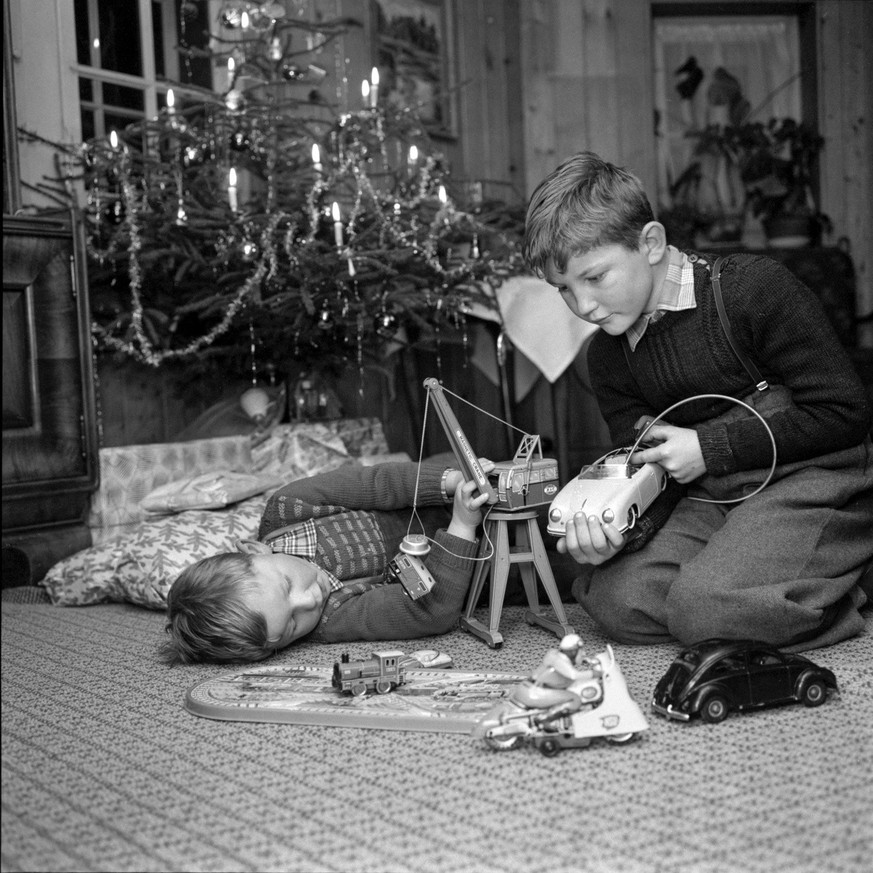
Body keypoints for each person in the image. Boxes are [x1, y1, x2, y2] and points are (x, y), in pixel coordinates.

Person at [522, 150, 873, 652]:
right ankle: (755, 582)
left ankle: (845, 577)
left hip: (812, 478)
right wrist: (622, 529)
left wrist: (709, 447)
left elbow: (846, 412)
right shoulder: (607, 358)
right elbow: (648, 470)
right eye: (564, 289)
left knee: (706, 612)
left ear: (651, 242)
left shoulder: (754, 290)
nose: (584, 306)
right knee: (618, 602)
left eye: (595, 277)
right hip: (714, 495)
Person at [161, 459, 494, 663]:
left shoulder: (290, 505)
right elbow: (429, 611)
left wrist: (451, 483)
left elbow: (378, 483)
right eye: (292, 626)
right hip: (483, 564)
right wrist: (463, 524)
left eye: (287, 586)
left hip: (453, 486)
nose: (309, 600)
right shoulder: (332, 620)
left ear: (255, 550)